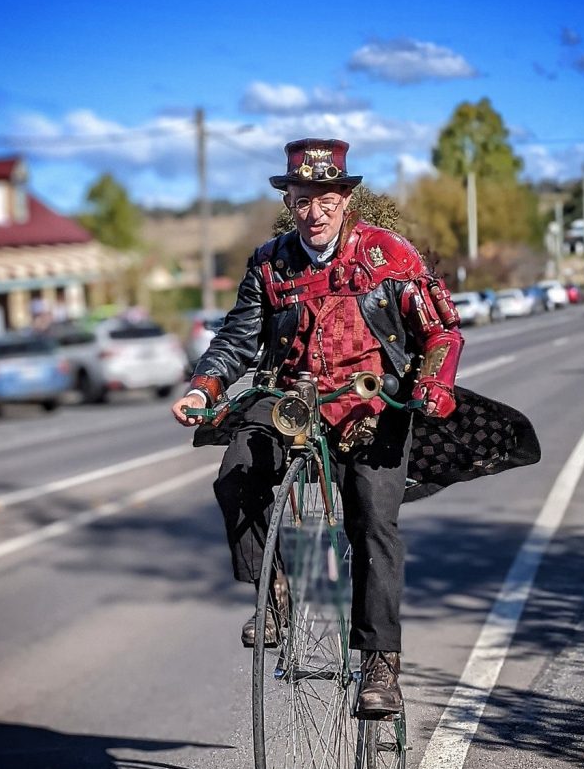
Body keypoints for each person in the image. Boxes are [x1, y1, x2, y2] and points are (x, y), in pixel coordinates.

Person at [172, 138, 465, 719]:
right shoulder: (269, 263)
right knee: (236, 473)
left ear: (344, 196)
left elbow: (442, 331)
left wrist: (434, 385)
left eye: (326, 198)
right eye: (303, 199)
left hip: (371, 403)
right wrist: (205, 387)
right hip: (293, 399)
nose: (315, 211)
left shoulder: (388, 256)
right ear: (290, 201)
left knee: (371, 519)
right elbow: (238, 338)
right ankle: (273, 592)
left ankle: (380, 664)